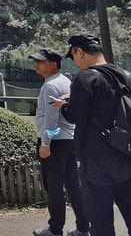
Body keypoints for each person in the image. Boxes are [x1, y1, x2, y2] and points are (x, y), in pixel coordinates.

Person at [51, 34, 131, 236]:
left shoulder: (85, 77)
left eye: (73, 57)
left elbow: (75, 115)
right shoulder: (128, 76)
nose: (75, 62)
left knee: (101, 223)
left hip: (97, 162)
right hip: (130, 157)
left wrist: (63, 106)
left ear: (79, 51)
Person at [31, 47, 89, 236]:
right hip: (71, 141)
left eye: (40, 61)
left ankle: (55, 230)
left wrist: (45, 143)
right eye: (36, 61)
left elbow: (52, 119)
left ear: (53, 64)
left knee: (54, 188)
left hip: (55, 142)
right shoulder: (66, 80)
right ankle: (83, 228)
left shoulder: (50, 85)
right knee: (74, 186)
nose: (36, 65)